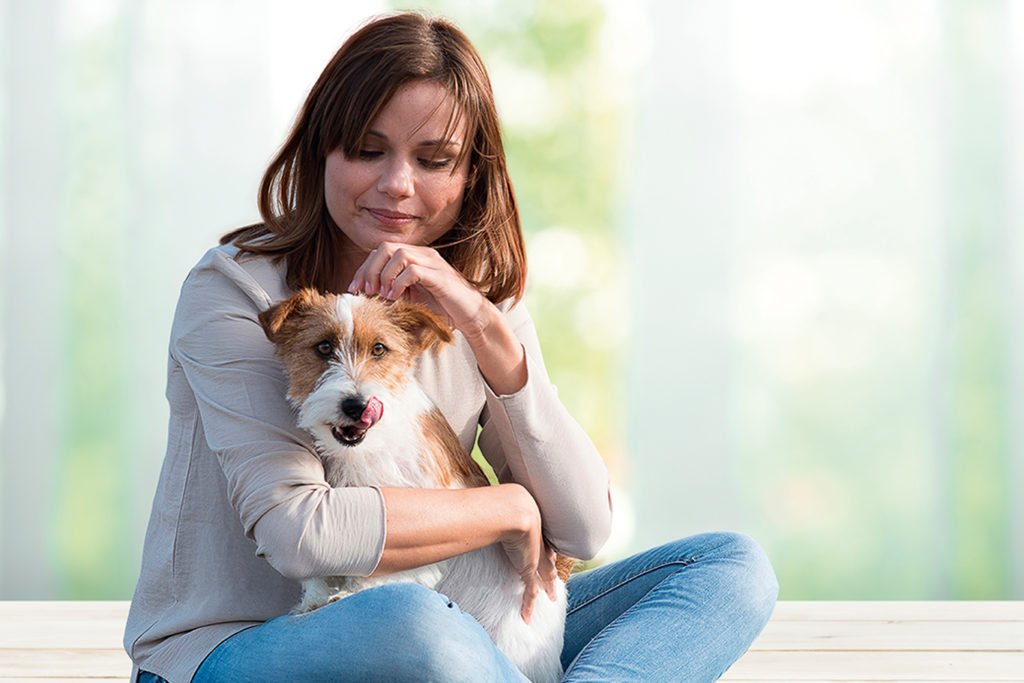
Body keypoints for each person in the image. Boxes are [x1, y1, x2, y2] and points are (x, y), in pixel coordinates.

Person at [124, 12, 778, 683]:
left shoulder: (475, 301)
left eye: (434, 160)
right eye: (368, 150)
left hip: (460, 626)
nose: (398, 183)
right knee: (417, 623)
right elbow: (302, 534)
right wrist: (508, 507)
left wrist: (489, 329)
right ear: (324, 149)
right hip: (246, 649)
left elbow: (583, 530)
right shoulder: (235, 289)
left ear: (471, 174)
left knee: (730, 567)